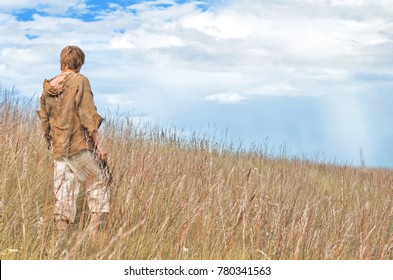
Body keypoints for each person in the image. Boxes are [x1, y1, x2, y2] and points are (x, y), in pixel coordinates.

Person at [39, 46, 110, 235]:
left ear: (62, 61)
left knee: (64, 192)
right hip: (79, 145)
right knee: (98, 182)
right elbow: (88, 115)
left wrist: (52, 142)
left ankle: (61, 236)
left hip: (59, 148)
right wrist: (100, 146)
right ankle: (93, 235)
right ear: (80, 63)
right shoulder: (80, 81)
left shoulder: (48, 87)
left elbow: (44, 121)